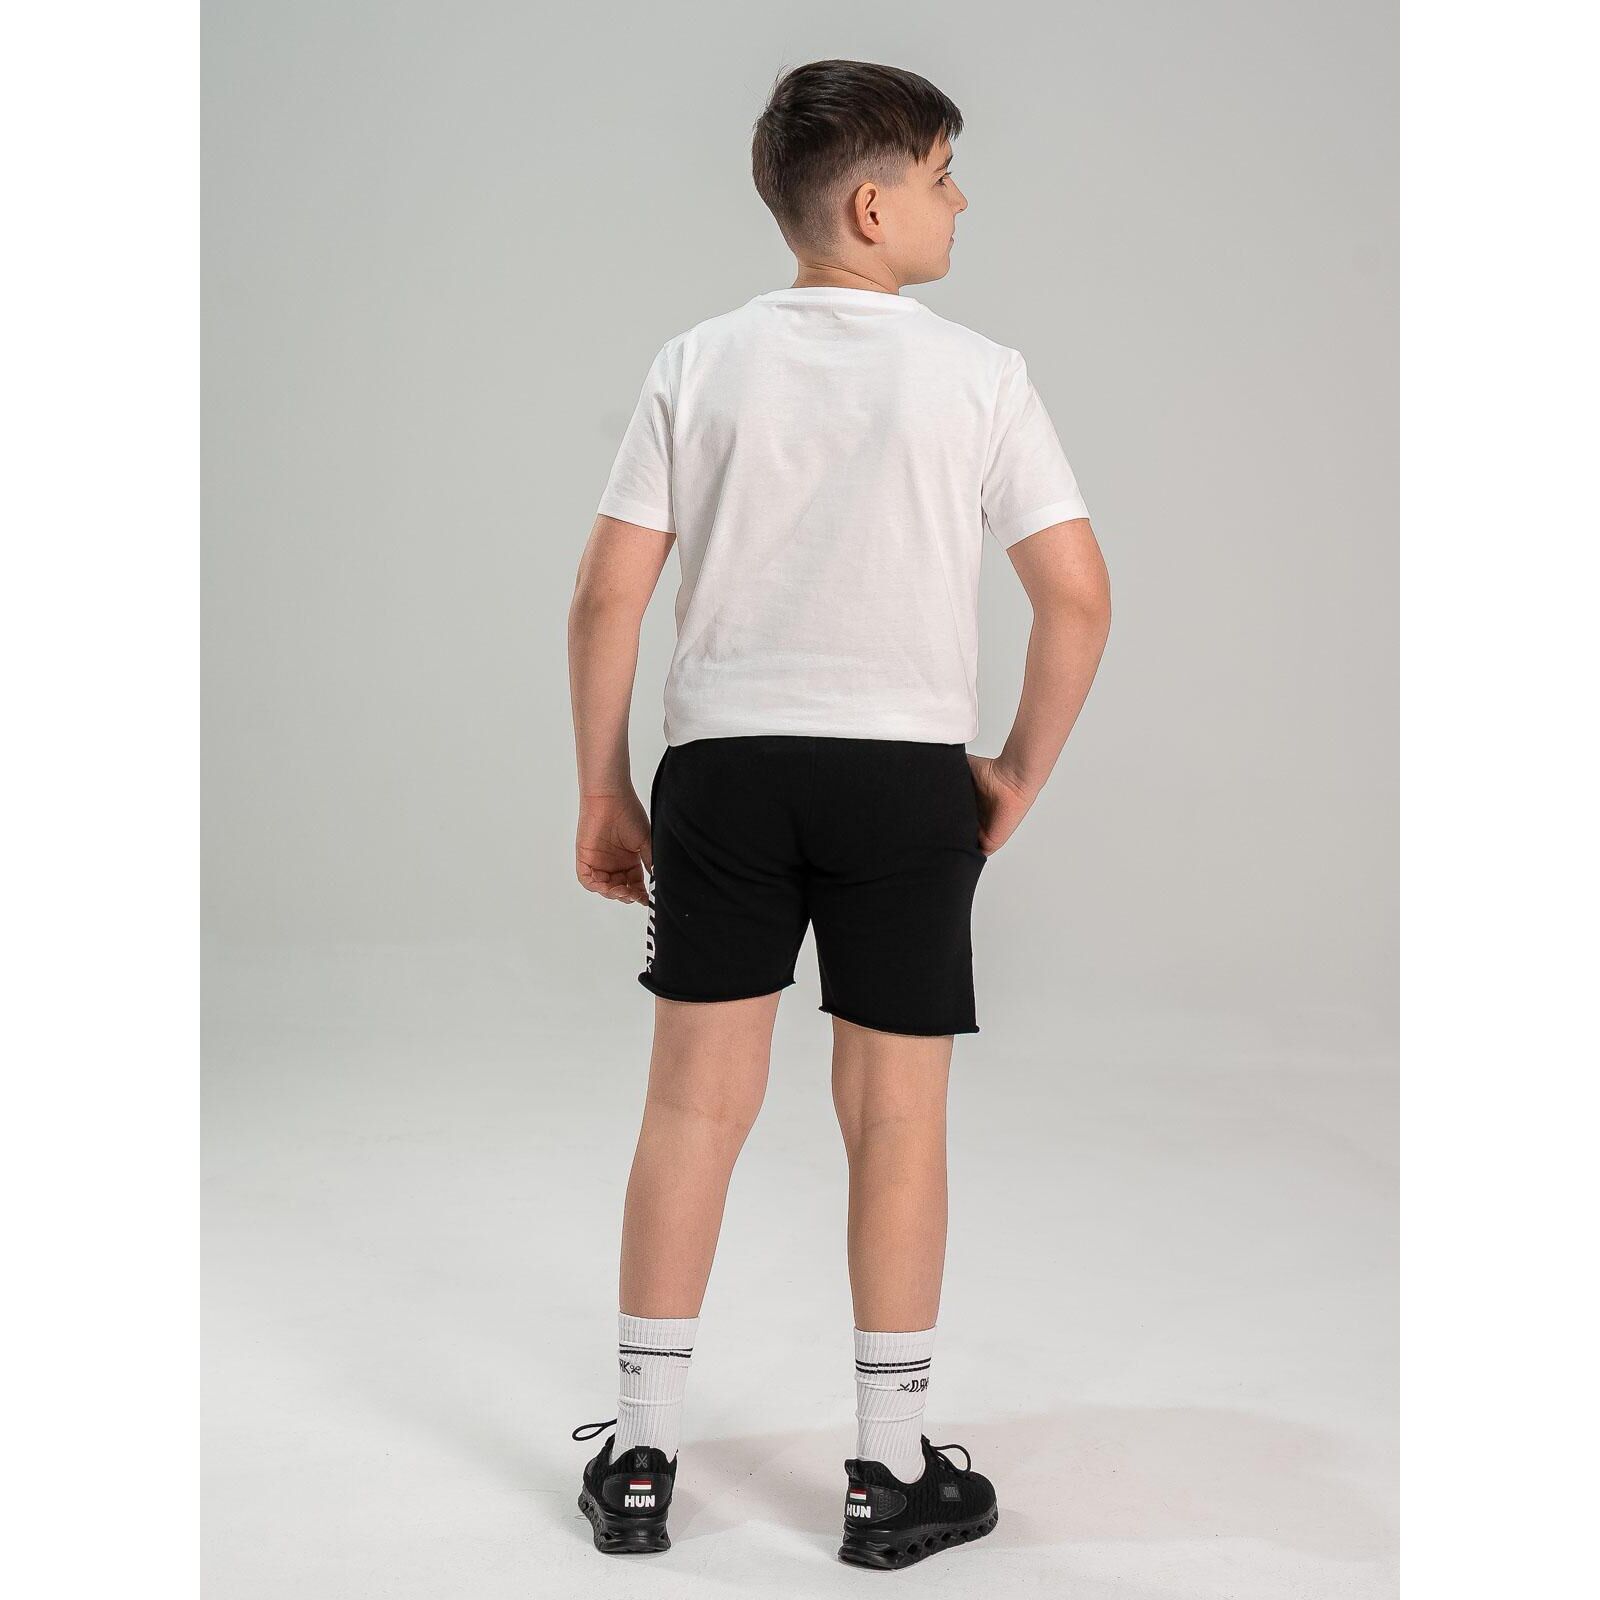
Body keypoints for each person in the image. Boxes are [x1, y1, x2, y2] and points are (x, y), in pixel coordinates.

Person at [565, 58, 1111, 1568]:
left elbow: (608, 595)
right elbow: (1077, 598)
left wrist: (606, 787)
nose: (960, 200)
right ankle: (887, 1471)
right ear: (874, 207)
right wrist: (1014, 774)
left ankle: (641, 1462)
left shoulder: (698, 362)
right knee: (895, 1117)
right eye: (942, 174)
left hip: (726, 775)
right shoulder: (980, 375)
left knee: (693, 1107)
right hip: (901, 779)